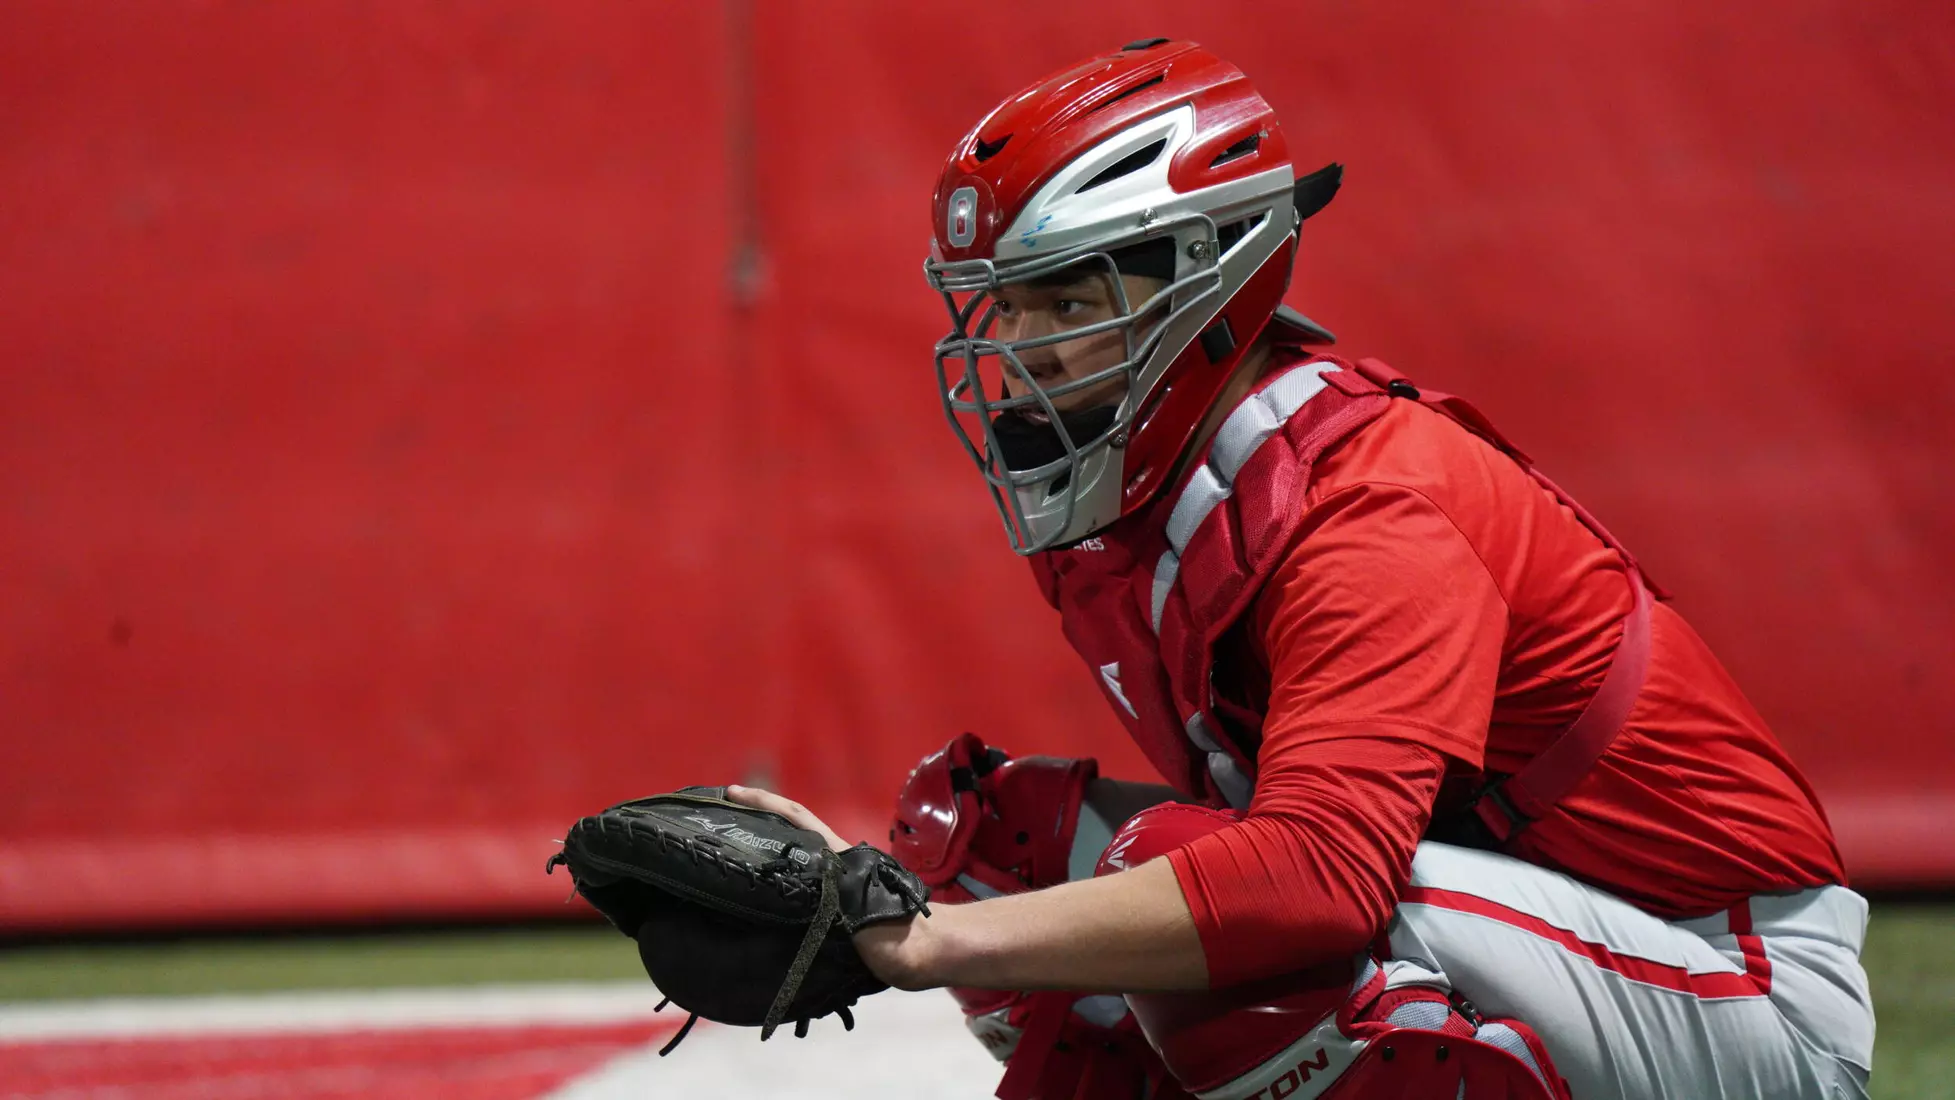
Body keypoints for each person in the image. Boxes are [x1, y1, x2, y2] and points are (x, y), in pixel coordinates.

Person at [728, 38, 1875, 1100]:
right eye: (1006, 307)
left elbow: (1319, 874)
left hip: (1738, 990)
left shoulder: (1367, 503)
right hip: (1545, 920)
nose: (1019, 350)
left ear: (1205, 283)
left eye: (1066, 301)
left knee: (1237, 929)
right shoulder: (1154, 488)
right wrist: (880, 900)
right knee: (985, 839)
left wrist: (926, 942)